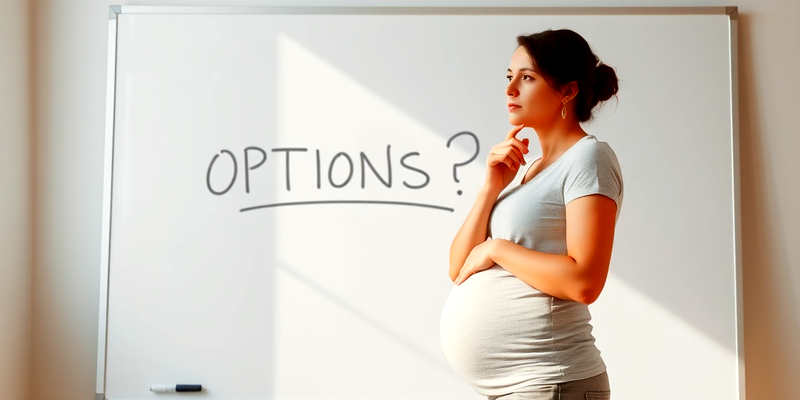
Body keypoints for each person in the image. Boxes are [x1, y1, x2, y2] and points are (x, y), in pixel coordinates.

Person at [439, 29, 623, 400]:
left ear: (568, 91)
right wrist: (491, 187)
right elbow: (458, 268)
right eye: (509, 77)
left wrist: (498, 249)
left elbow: (585, 281)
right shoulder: (527, 170)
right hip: (525, 386)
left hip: (552, 381)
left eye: (527, 77)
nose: (510, 90)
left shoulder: (589, 159)